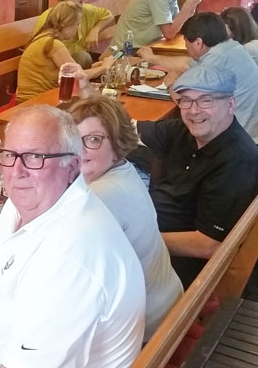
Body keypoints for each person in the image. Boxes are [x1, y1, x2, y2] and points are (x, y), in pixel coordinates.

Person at [0, 105, 145, 367]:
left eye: (35, 157)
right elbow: (8, 244)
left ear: (71, 166)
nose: (17, 171)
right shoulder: (36, 201)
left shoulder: (72, 256)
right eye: (10, 155)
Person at [135, 65, 258, 287]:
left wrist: (138, 242)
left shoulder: (238, 161)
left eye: (207, 100)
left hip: (178, 266)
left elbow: (208, 245)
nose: (194, 110)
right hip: (152, 230)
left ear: (230, 104)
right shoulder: (185, 130)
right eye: (186, 100)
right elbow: (128, 130)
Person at [68, 94, 183, 342]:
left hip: (145, 329)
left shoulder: (103, 194)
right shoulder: (124, 171)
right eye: (76, 140)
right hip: (165, 303)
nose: (81, 150)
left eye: (94, 140)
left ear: (117, 142)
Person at [140, 12, 258, 145]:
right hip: (257, 133)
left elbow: (186, 102)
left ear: (198, 43)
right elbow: (186, 63)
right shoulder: (231, 48)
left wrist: (170, 86)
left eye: (186, 43)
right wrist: (153, 58)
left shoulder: (216, 61)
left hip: (244, 142)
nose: (186, 47)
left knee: (160, 139)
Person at [17, 1, 110, 103]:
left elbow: (76, 73)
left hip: (33, 100)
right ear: (66, 24)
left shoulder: (43, 38)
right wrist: (104, 67)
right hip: (36, 102)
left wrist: (94, 69)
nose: (77, 28)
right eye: (77, 24)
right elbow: (79, 76)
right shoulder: (53, 44)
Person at [33, 0, 114, 68]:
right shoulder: (48, 20)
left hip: (75, 65)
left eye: (81, 2)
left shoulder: (85, 10)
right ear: (60, 2)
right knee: (83, 57)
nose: (79, 8)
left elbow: (108, 16)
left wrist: (95, 30)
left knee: (84, 57)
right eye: (73, 4)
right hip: (55, 67)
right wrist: (100, 69)